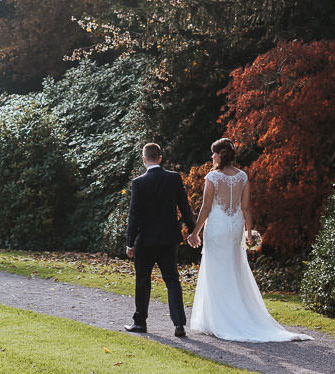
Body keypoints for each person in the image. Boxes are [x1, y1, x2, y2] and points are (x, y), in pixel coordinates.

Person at [187, 138, 311, 342]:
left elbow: (206, 208)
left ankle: (220, 319)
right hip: (235, 226)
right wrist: (248, 231)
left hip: (217, 226)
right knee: (234, 268)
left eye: (213, 153)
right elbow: (246, 208)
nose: (212, 156)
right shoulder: (242, 176)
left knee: (216, 270)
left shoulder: (213, 177)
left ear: (219, 155)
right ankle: (236, 314)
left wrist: (195, 232)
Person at [124, 143, 196, 337]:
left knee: (142, 280)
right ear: (161, 158)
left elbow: (134, 215)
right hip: (168, 238)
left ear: (144, 159)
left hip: (146, 240)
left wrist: (130, 243)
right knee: (172, 280)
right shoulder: (174, 179)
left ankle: (140, 322)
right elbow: (184, 207)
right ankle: (179, 324)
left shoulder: (139, 183)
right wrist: (193, 230)